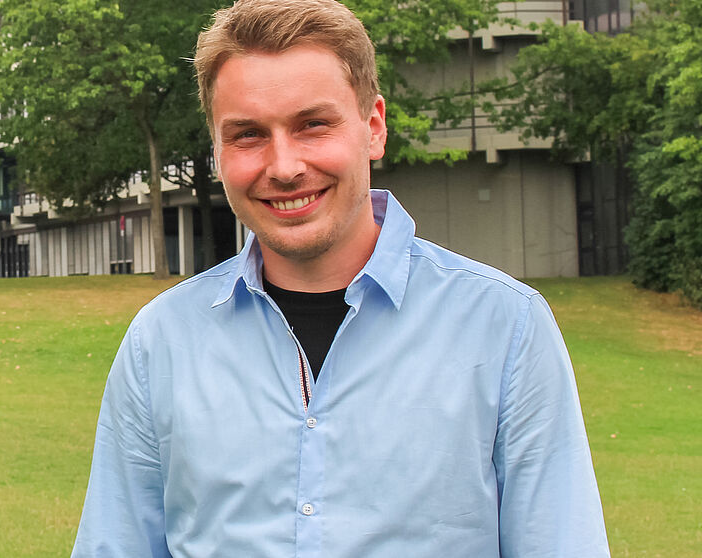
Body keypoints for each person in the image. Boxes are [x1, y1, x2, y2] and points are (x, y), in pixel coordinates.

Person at [71, 0, 611, 556]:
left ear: (373, 127)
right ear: (217, 149)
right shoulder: (160, 342)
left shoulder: (506, 329)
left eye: (313, 125)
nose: (283, 167)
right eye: (248, 134)